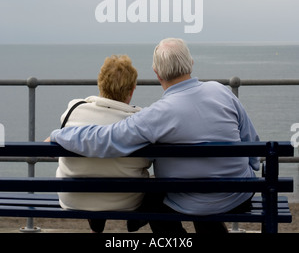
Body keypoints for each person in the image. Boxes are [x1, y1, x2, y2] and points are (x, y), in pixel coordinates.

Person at [50, 38, 260, 234]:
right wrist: (249, 172)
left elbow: (106, 139)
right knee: (198, 198)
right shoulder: (221, 91)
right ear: (191, 63)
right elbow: (252, 142)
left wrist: (61, 135)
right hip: (239, 195)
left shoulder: (157, 114)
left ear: (157, 73)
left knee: (157, 200)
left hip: (186, 201)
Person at [55, 54, 151, 233]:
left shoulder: (73, 110)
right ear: (132, 90)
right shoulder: (140, 121)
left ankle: (96, 228)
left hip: (73, 198)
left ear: (100, 84)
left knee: (92, 168)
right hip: (126, 202)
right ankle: (135, 222)